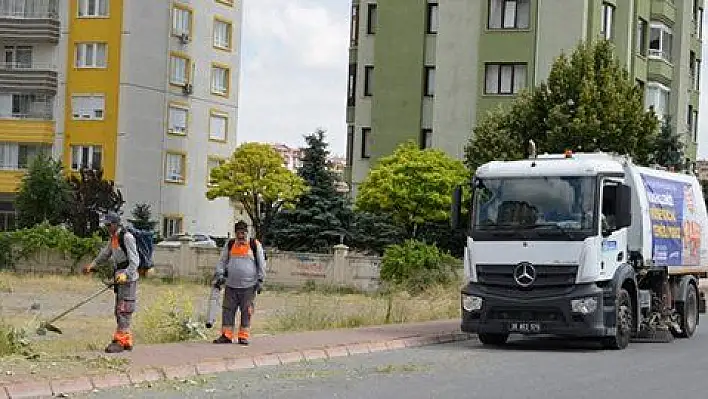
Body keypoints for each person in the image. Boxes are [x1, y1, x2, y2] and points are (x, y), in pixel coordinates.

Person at [83, 211, 140, 354]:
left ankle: (119, 342)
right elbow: (106, 253)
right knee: (119, 309)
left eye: (109, 225)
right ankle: (126, 340)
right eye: (106, 225)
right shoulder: (114, 238)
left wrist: (126, 274)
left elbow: (135, 261)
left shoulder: (127, 237)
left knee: (124, 309)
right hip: (119, 276)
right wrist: (92, 265)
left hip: (128, 278)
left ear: (116, 223)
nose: (107, 227)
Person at [212, 220, 266, 345]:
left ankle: (243, 336)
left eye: (243, 233)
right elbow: (222, 261)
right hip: (230, 285)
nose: (241, 236)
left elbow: (262, 264)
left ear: (247, 232)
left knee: (246, 311)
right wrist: (220, 274)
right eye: (238, 233)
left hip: (249, 286)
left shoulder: (254, 244)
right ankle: (226, 335)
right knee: (227, 310)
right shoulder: (230, 244)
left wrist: (260, 280)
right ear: (235, 233)